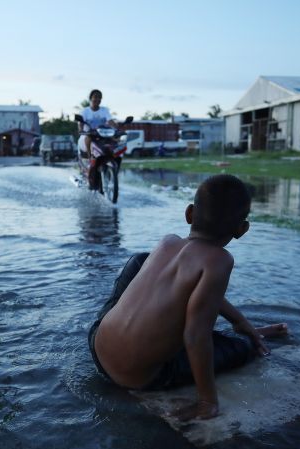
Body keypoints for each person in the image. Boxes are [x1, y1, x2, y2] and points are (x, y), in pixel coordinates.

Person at [88, 174, 288, 421]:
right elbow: (195, 336)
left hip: (97, 344)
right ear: (241, 229)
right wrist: (207, 400)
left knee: (141, 261)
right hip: (138, 378)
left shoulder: (168, 242)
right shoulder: (220, 261)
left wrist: (240, 321)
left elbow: (198, 293)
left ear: (190, 213)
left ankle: (242, 330)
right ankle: (247, 338)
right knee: (241, 348)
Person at [77, 89, 116, 159]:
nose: (97, 99)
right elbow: (81, 123)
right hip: (89, 133)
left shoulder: (104, 110)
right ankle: (89, 156)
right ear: (90, 98)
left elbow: (110, 121)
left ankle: (113, 157)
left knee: (113, 140)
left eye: (99, 97)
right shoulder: (85, 111)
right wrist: (80, 129)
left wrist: (116, 128)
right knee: (88, 138)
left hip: (102, 134)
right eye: (95, 97)